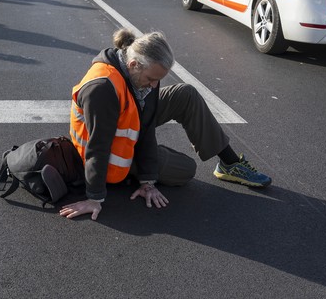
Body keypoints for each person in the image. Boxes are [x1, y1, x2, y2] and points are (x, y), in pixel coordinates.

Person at [60, 29, 271, 221]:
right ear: (133, 65)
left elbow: (146, 125)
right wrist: (94, 197)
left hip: (127, 119)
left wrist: (148, 182)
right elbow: (98, 146)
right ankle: (124, 176)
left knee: (185, 94)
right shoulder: (102, 88)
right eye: (151, 79)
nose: (154, 86)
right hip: (109, 151)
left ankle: (230, 164)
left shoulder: (143, 74)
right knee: (185, 169)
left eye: (157, 80)